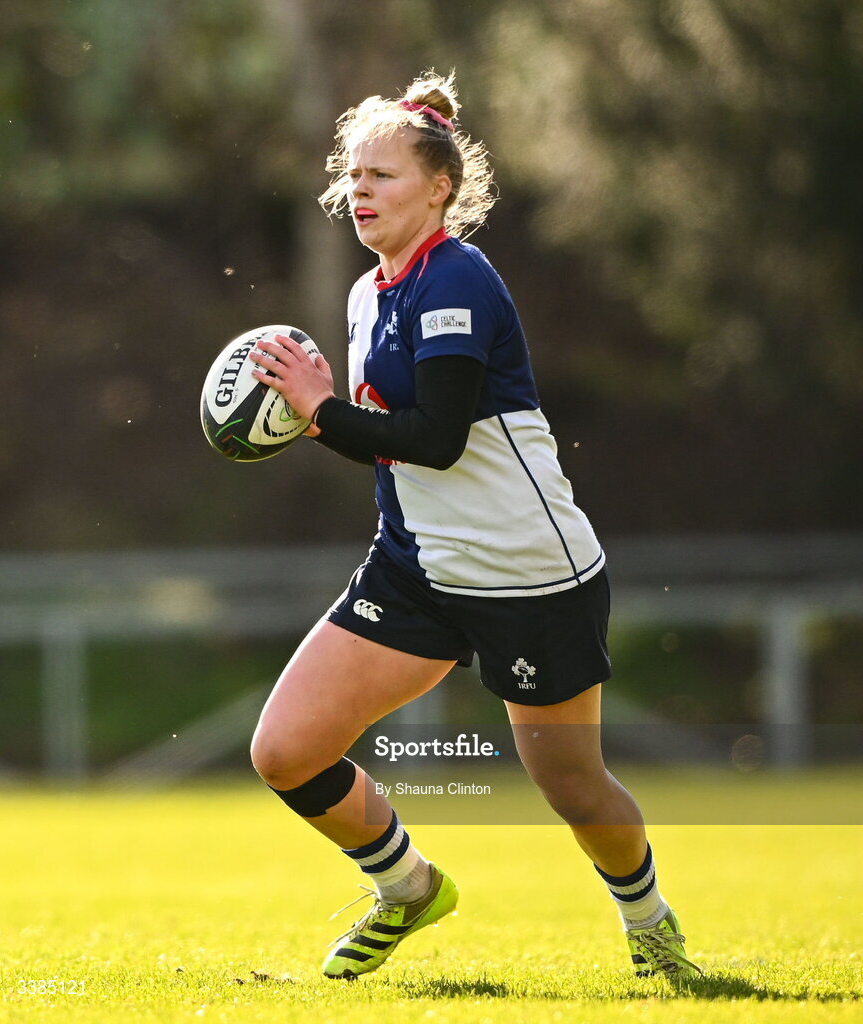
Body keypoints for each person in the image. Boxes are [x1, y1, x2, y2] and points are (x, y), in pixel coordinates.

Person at [248, 71, 700, 982]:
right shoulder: (369, 294)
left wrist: (319, 410)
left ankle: (651, 925)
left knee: (571, 787)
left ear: (439, 186)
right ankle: (408, 887)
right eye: (354, 175)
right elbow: (388, 450)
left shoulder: (457, 280)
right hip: (417, 566)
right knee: (285, 751)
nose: (359, 191)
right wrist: (311, 416)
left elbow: (438, 440)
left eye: (382, 174)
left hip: (527, 573)